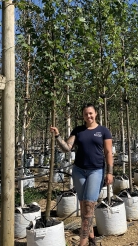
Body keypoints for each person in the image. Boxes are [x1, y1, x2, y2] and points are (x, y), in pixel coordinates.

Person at [50, 103, 113, 246]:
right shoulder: (78, 130)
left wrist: (109, 173)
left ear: (96, 113)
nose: (88, 116)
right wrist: (57, 136)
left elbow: (109, 153)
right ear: (83, 116)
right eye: (86, 114)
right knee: (83, 206)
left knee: (89, 207)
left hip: (96, 171)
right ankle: (91, 239)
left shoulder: (104, 131)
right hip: (79, 171)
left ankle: (82, 243)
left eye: (91, 113)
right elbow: (67, 148)